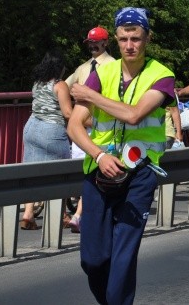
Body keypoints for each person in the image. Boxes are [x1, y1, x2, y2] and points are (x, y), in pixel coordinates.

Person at [67, 7, 176, 305]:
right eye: (124, 38)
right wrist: (99, 155)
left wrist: (91, 96)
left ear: (148, 39)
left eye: (136, 38)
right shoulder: (103, 74)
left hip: (139, 174)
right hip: (99, 172)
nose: (130, 45)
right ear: (116, 39)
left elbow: (134, 114)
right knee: (93, 260)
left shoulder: (162, 75)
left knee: (123, 255)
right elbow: (74, 125)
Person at [65, 26, 116, 233]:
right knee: (85, 171)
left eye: (96, 42)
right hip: (83, 128)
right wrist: (73, 112)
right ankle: (81, 214)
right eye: (90, 42)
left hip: (104, 129)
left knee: (98, 174)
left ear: (106, 43)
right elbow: (65, 87)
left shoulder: (113, 66)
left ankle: (83, 216)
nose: (93, 45)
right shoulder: (83, 68)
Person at [20, 49, 73, 230]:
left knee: (32, 172)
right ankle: (62, 215)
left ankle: (28, 215)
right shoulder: (60, 85)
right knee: (61, 173)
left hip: (31, 127)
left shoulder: (38, 83)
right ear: (60, 68)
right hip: (51, 130)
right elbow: (67, 113)